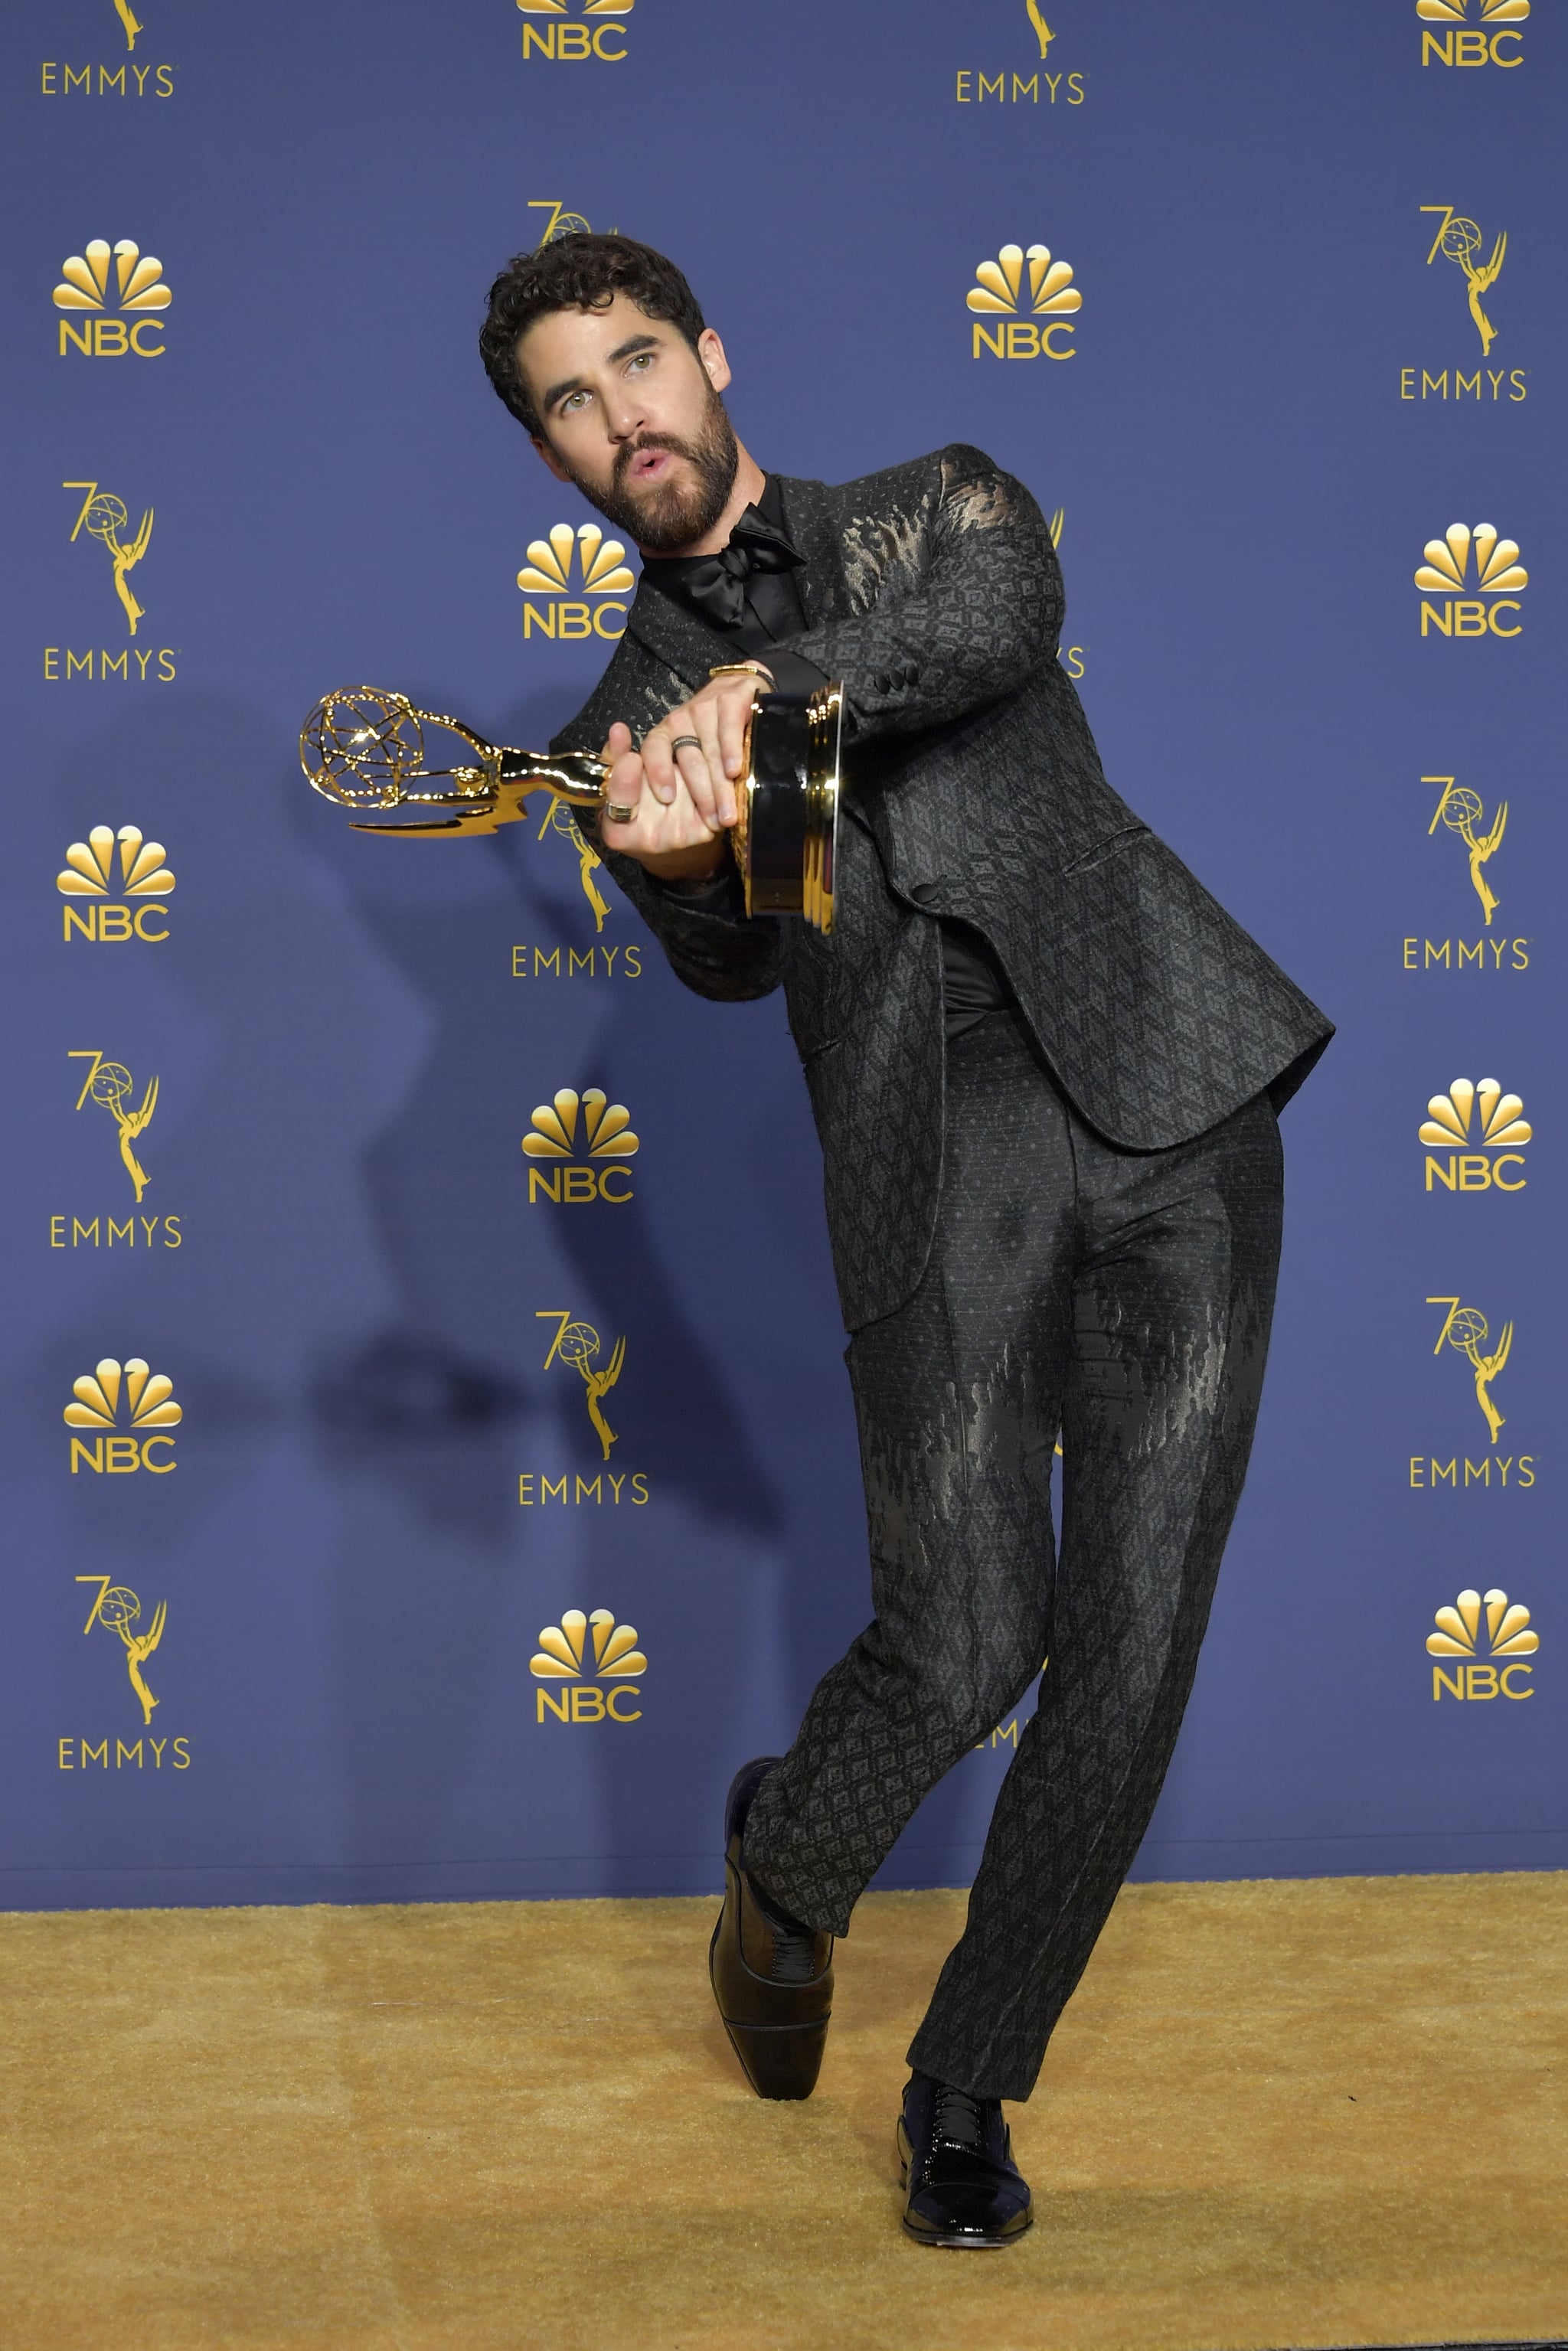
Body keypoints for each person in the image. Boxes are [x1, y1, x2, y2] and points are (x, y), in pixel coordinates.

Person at [479, 234, 1332, 2250]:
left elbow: (998, 625)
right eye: (571, 409)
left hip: (1178, 1093)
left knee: (1133, 1643)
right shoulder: (629, 724)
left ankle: (966, 2080)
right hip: (937, 1157)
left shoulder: (937, 507)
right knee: (966, 1640)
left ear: (712, 354)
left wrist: (769, 696)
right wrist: (674, 849)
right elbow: (724, 956)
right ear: (553, 460)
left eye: (639, 365)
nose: (625, 423)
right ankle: (785, 1866)